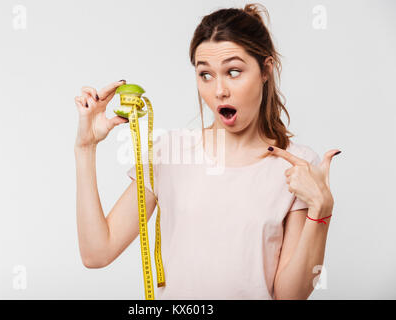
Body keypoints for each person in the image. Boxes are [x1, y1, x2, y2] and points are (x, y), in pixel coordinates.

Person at [73, 3, 341, 300]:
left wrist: (321, 212)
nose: (219, 91)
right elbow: (97, 253)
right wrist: (85, 148)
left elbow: (290, 295)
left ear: (265, 71)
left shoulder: (297, 166)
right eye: (206, 75)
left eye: (234, 71)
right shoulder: (170, 152)